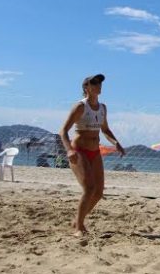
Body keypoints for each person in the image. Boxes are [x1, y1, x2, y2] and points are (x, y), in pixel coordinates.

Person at [59, 73, 126, 237]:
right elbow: (63, 132)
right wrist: (69, 150)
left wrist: (115, 142)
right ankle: (79, 228)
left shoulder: (102, 107)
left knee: (98, 193)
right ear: (86, 87)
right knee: (89, 189)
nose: (98, 85)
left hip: (95, 151)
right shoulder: (80, 107)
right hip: (79, 151)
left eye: (100, 82)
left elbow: (105, 130)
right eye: (94, 82)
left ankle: (77, 220)